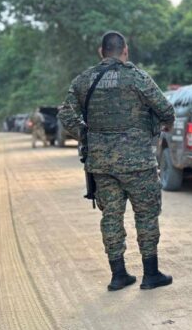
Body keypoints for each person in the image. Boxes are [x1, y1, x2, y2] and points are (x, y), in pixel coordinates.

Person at [59, 31, 175, 292]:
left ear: (101, 52)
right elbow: (166, 110)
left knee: (111, 216)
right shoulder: (137, 77)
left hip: (101, 164)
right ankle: (151, 274)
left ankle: (118, 275)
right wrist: (161, 125)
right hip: (138, 164)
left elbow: (66, 114)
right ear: (125, 51)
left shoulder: (84, 80)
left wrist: (86, 135)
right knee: (146, 215)